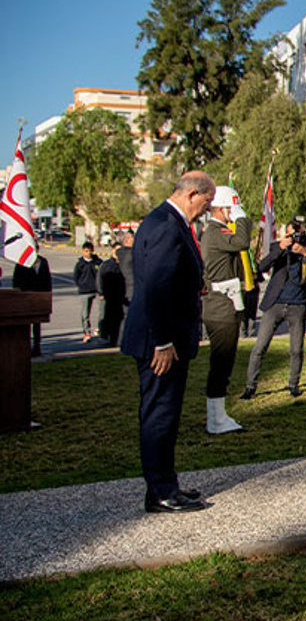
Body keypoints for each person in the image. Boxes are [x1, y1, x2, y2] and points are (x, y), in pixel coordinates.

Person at [120, 172, 216, 513]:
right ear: (192, 194)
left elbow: (169, 277)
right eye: (206, 202)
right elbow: (155, 288)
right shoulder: (165, 225)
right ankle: (160, 491)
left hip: (165, 336)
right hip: (159, 341)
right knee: (159, 415)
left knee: (166, 413)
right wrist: (161, 342)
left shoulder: (165, 221)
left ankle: (166, 483)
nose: (207, 210)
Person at [241, 219, 306, 399]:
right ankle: (250, 387)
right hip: (275, 303)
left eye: (299, 234)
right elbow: (262, 267)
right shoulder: (279, 247)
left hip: (297, 305)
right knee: (260, 347)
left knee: (296, 349)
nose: (295, 238)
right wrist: (281, 248)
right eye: (292, 234)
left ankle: (293, 385)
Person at [202, 185, 251, 434]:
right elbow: (242, 241)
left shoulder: (215, 232)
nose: (233, 214)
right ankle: (216, 420)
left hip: (224, 303)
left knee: (224, 362)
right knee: (221, 363)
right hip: (221, 307)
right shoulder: (215, 231)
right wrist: (242, 217)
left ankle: (218, 417)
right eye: (231, 209)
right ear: (222, 209)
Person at [12, 242, 52, 356]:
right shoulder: (22, 262)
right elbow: (16, 281)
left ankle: (37, 346)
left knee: (37, 324)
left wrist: (47, 295)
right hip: (25, 297)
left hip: (38, 297)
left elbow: (47, 280)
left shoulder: (43, 262)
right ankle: (26, 346)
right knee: (26, 324)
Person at [97, 246, 127, 346]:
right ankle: (108, 337)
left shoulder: (125, 263)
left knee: (121, 318)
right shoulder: (106, 265)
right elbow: (100, 279)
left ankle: (119, 340)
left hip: (123, 296)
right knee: (110, 317)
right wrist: (101, 292)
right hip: (111, 296)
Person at [74, 241, 101, 342]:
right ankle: (87, 332)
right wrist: (81, 285)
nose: (88, 253)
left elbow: (101, 275)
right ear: (83, 251)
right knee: (85, 313)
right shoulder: (80, 264)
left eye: (90, 251)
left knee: (102, 312)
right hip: (85, 291)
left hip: (97, 290)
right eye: (86, 251)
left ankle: (99, 328)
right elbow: (76, 277)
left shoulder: (98, 262)